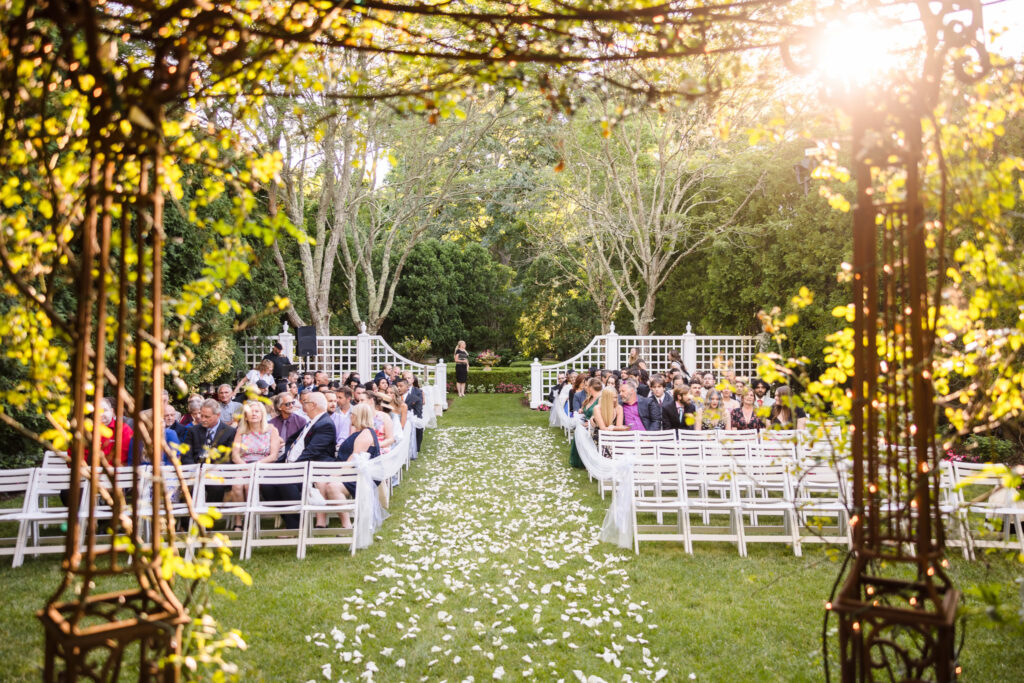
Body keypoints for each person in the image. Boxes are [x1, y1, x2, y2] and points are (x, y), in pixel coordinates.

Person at [270, 392, 337, 529]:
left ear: (313, 405)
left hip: (310, 468)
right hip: (294, 465)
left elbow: (311, 452)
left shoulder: (325, 424)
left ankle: (295, 525)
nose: (301, 405)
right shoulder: (312, 422)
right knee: (267, 484)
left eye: (305, 402)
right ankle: (290, 518)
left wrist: (292, 468)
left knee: (285, 483)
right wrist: (277, 466)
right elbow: (293, 445)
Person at [230, 401, 282, 530]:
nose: (254, 414)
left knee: (249, 485)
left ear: (262, 414)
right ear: (245, 416)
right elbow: (235, 455)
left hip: (262, 466)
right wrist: (246, 467)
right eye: (250, 412)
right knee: (236, 485)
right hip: (244, 466)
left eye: (257, 411)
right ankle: (238, 521)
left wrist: (255, 466)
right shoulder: (241, 431)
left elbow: (273, 455)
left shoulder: (271, 430)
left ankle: (250, 519)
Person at [336, 403, 382, 522]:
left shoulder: (365, 434)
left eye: (353, 414)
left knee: (332, 486)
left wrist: (336, 475)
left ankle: (346, 524)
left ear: (358, 416)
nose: (350, 416)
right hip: (350, 472)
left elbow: (354, 457)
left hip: (357, 475)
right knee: (321, 483)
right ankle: (321, 522)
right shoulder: (360, 432)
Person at [569, 378, 603, 469]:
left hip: (593, 426)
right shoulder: (590, 398)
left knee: (581, 432)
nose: (585, 387)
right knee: (578, 431)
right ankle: (580, 461)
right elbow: (586, 411)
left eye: (587, 386)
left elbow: (599, 415)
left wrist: (590, 423)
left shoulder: (600, 399)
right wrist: (582, 411)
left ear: (591, 388)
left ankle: (586, 462)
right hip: (584, 423)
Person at [398, 373, 424, 450]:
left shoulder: (416, 398)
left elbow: (418, 412)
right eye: (397, 386)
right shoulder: (395, 397)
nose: (398, 388)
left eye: (401, 386)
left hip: (411, 418)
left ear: (407, 387)